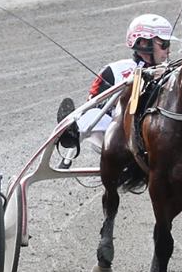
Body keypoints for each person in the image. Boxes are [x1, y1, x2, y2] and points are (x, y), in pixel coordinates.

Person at [54, 13, 174, 161]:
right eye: (164, 44)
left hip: (161, 132)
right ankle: (71, 132)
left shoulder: (174, 72)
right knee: (88, 115)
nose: (168, 50)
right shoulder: (114, 71)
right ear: (143, 43)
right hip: (120, 136)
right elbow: (92, 104)